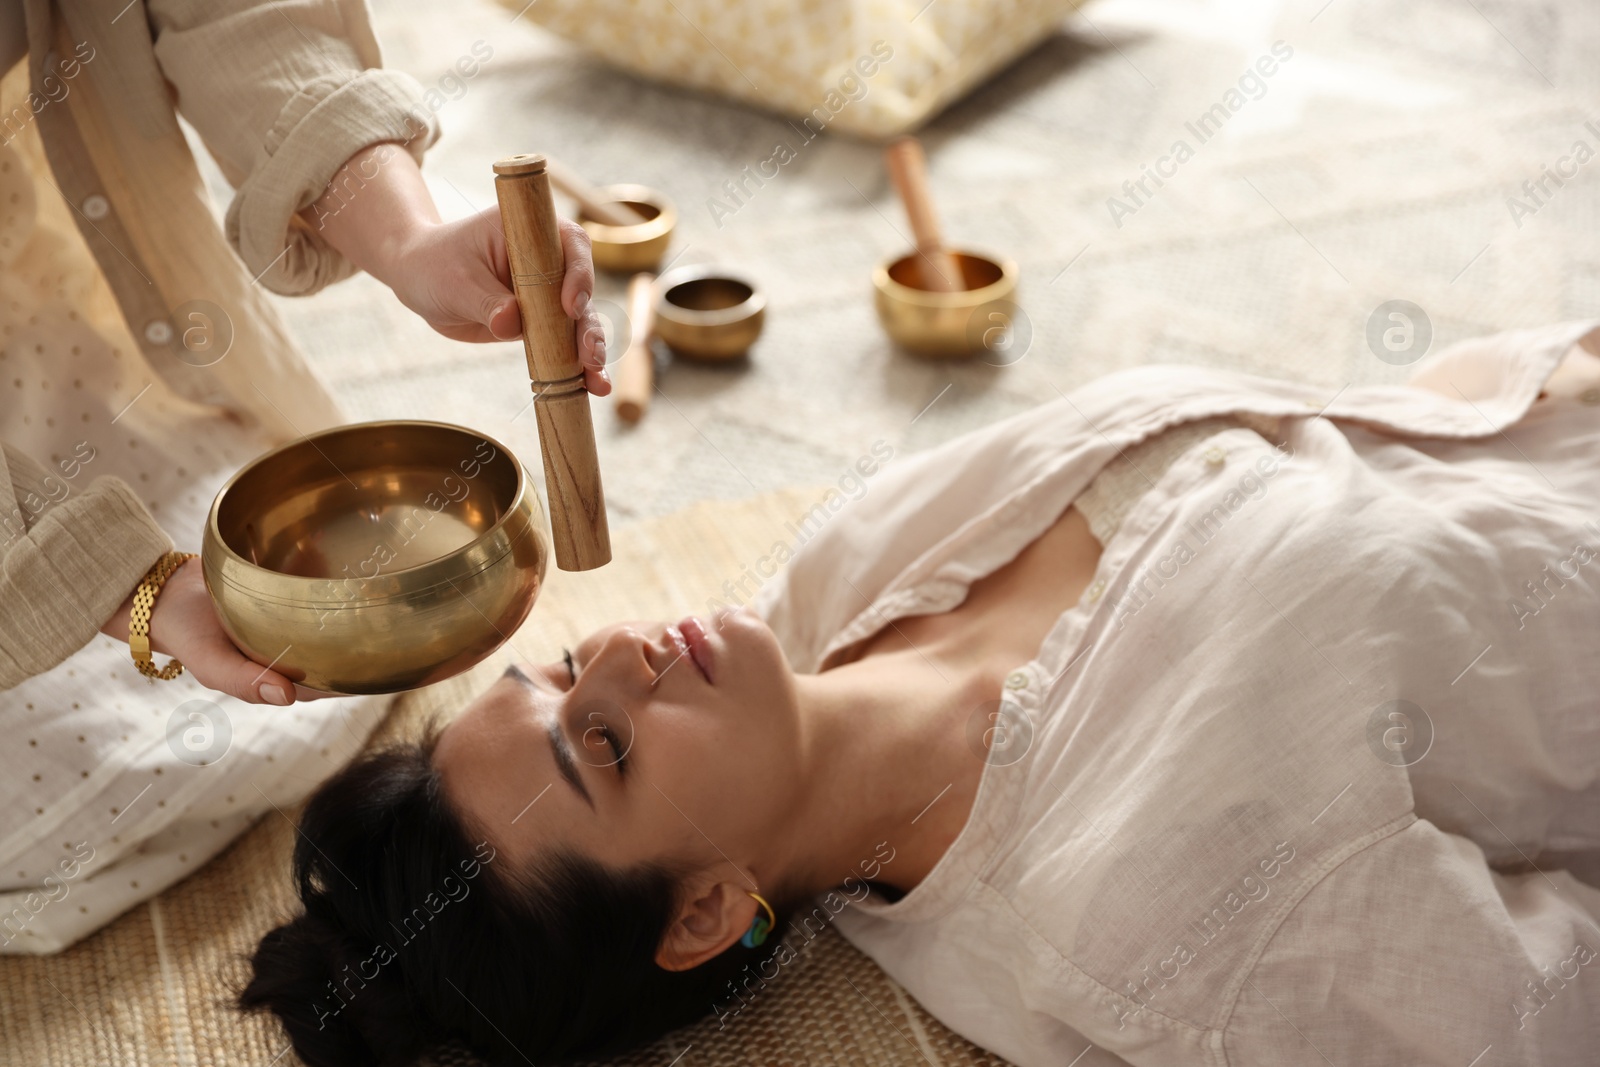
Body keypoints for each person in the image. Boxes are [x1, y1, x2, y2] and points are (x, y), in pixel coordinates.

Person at [242, 320, 1600, 1067]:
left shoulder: (847, 565)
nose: (617, 659)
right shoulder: (1150, 922)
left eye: (558, 666)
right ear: (707, 907)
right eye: (602, 742)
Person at [0, 0, 605, 954]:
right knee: (78, 785)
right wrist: (130, 590)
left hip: (49, 311)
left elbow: (236, 14)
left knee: (282, 644)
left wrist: (410, 239)